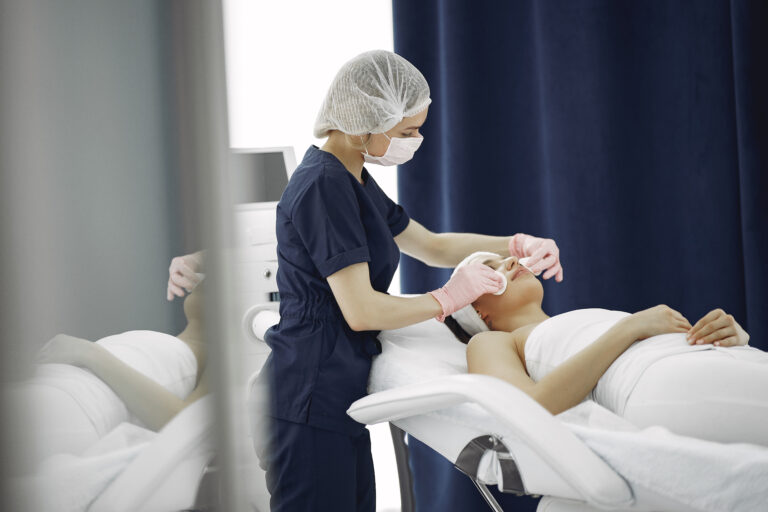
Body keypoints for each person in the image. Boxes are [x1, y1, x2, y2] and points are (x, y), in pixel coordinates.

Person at [167, 50, 565, 511]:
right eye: (406, 132)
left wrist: (516, 244)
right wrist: (451, 296)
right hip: (307, 398)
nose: (416, 141)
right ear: (364, 124)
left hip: (336, 397)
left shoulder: (352, 177)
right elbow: (362, 312)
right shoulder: (323, 185)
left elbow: (432, 246)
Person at [447, 251, 768, 446]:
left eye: (505, 258)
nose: (513, 261)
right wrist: (631, 327)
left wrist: (733, 337)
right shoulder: (488, 342)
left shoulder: (570, 324)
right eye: (492, 270)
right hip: (654, 383)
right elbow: (528, 410)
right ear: (477, 312)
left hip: (709, 360)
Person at [6, 282, 208, 472]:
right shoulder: (170, 343)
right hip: (61, 389)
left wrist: (89, 353)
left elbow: (183, 423)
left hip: (82, 407)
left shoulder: (226, 356)